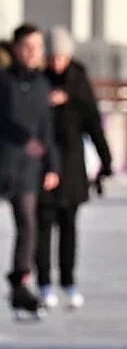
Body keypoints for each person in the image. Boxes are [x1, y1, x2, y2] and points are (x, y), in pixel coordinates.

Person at [35, 25, 113, 310]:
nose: (56, 62)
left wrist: (106, 160)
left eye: (61, 56)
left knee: (69, 226)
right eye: (52, 56)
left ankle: (68, 281)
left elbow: (93, 121)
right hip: (42, 164)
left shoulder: (78, 81)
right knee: (42, 225)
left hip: (71, 165)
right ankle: (43, 282)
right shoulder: (38, 81)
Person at [0, 23, 60, 317]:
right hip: (2, 162)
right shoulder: (3, 81)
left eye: (38, 47)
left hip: (27, 170)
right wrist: (24, 140)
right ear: (16, 49)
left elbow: (46, 129)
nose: (34, 52)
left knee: (28, 225)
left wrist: (52, 165)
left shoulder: (41, 84)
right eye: (28, 47)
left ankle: (21, 284)